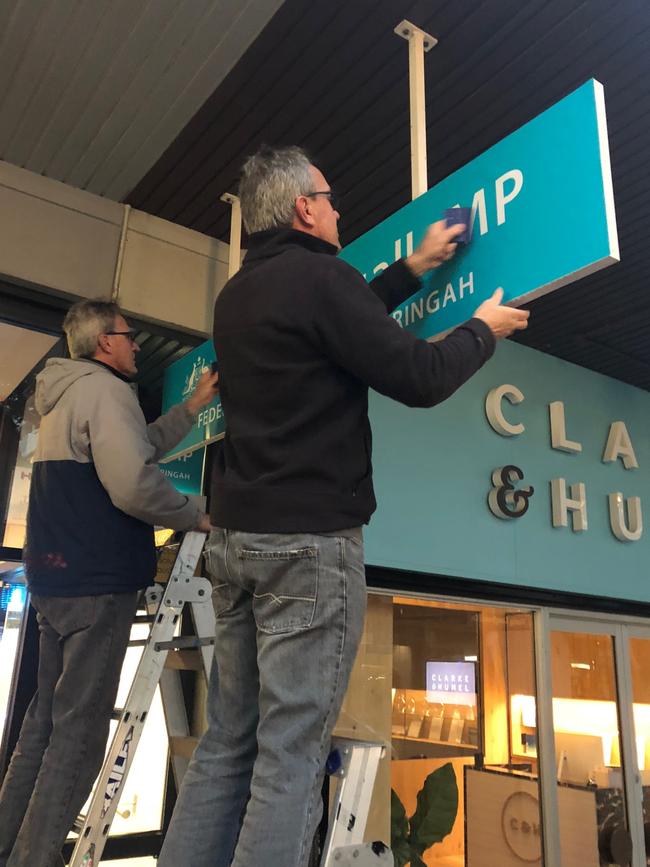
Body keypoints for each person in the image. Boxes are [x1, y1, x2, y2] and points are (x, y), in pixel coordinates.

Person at [158, 145, 529, 867]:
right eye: (330, 198)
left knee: (229, 742)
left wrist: (414, 267)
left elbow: (337, 316)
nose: (338, 209)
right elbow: (419, 376)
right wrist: (483, 327)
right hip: (307, 543)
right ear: (304, 207)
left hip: (236, 541)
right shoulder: (320, 281)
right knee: (290, 756)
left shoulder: (238, 295)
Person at [0, 300, 218, 867]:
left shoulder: (67, 392)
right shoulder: (107, 390)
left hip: (55, 582)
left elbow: (136, 447)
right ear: (104, 343)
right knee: (78, 735)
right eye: (129, 335)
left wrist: (193, 407)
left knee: (44, 724)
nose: (137, 345)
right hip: (96, 584)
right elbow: (132, 484)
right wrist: (194, 512)